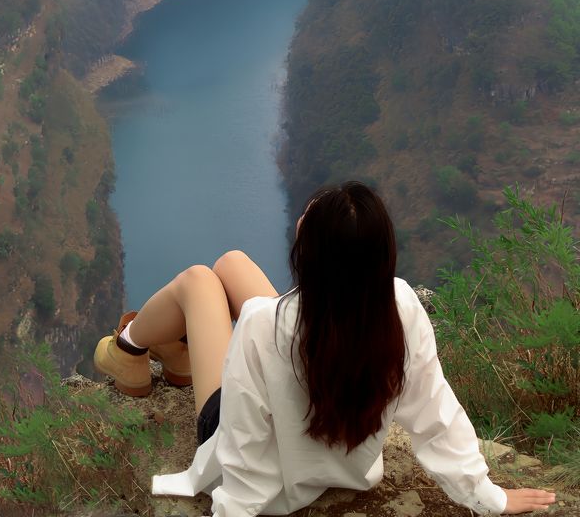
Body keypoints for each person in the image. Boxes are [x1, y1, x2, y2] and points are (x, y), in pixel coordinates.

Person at [94, 181, 555, 516]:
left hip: (272, 482)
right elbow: (438, 415)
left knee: (198, 280)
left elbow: (242, 443)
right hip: (348, 468)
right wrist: (486, 495)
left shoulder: (262, 325)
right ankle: (174, 352)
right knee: (232, 262)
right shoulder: (399, 307)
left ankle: (128, 350)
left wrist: (231, 508)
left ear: (309, 254)